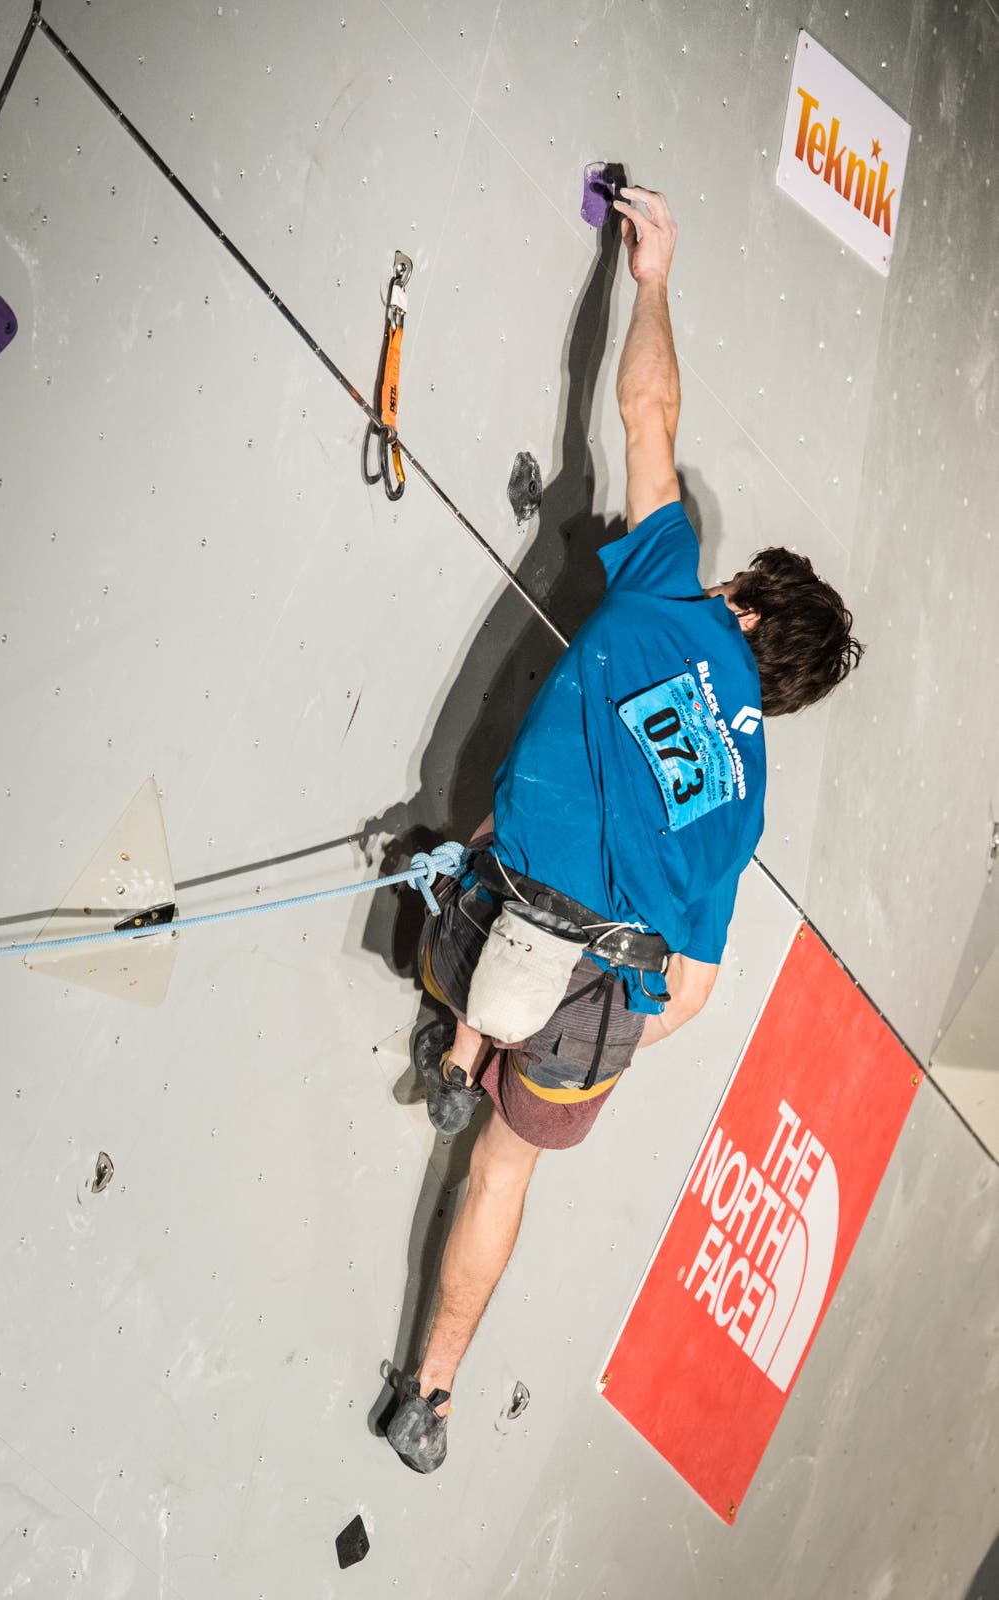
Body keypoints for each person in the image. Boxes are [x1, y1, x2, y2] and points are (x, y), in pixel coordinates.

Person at [386, 187, 862, 1473]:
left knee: (498, 827)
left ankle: (457, 1032)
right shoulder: (746, 806)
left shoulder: (674, 591)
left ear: (751, 613)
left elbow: (645, 411)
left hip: (498, 905)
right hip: (595, 992)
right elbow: (693, 995)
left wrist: (651, 277)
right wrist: (607, 1016)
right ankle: (428, 1393)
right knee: (508, 1174)